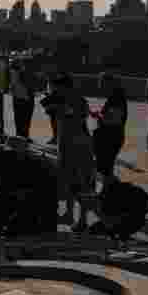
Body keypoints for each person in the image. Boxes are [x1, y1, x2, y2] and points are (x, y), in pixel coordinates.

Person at [52, 73, 94, 230]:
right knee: (69, 182)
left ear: (64, 87)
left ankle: (83, 220)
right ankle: (69, 215)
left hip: (78, 146)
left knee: (82, 184)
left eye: (56, 88)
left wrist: (64, 110)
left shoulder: (78, 100)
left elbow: (79, 119)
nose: (54, 91)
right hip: (66, 145)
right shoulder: (63, 100)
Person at [90, 73, 128, 194]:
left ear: (109, 83)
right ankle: (108, 193)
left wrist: (100, 117)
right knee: (105, 169)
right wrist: (100, 116)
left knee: (105, 169)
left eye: (102, 83)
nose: (100, 86)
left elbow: (114, 119)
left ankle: (111, 193)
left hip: (110, 138)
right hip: (111, 136)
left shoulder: (116, 98)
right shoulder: (115, 96)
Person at [10, 62, 36, 140]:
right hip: (21, 97)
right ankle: (21, 135)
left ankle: (24, 135)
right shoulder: (14, 72)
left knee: (24, 118)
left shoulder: (28, 72)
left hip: (25, 96)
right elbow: (13, 84)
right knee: (21, 118)